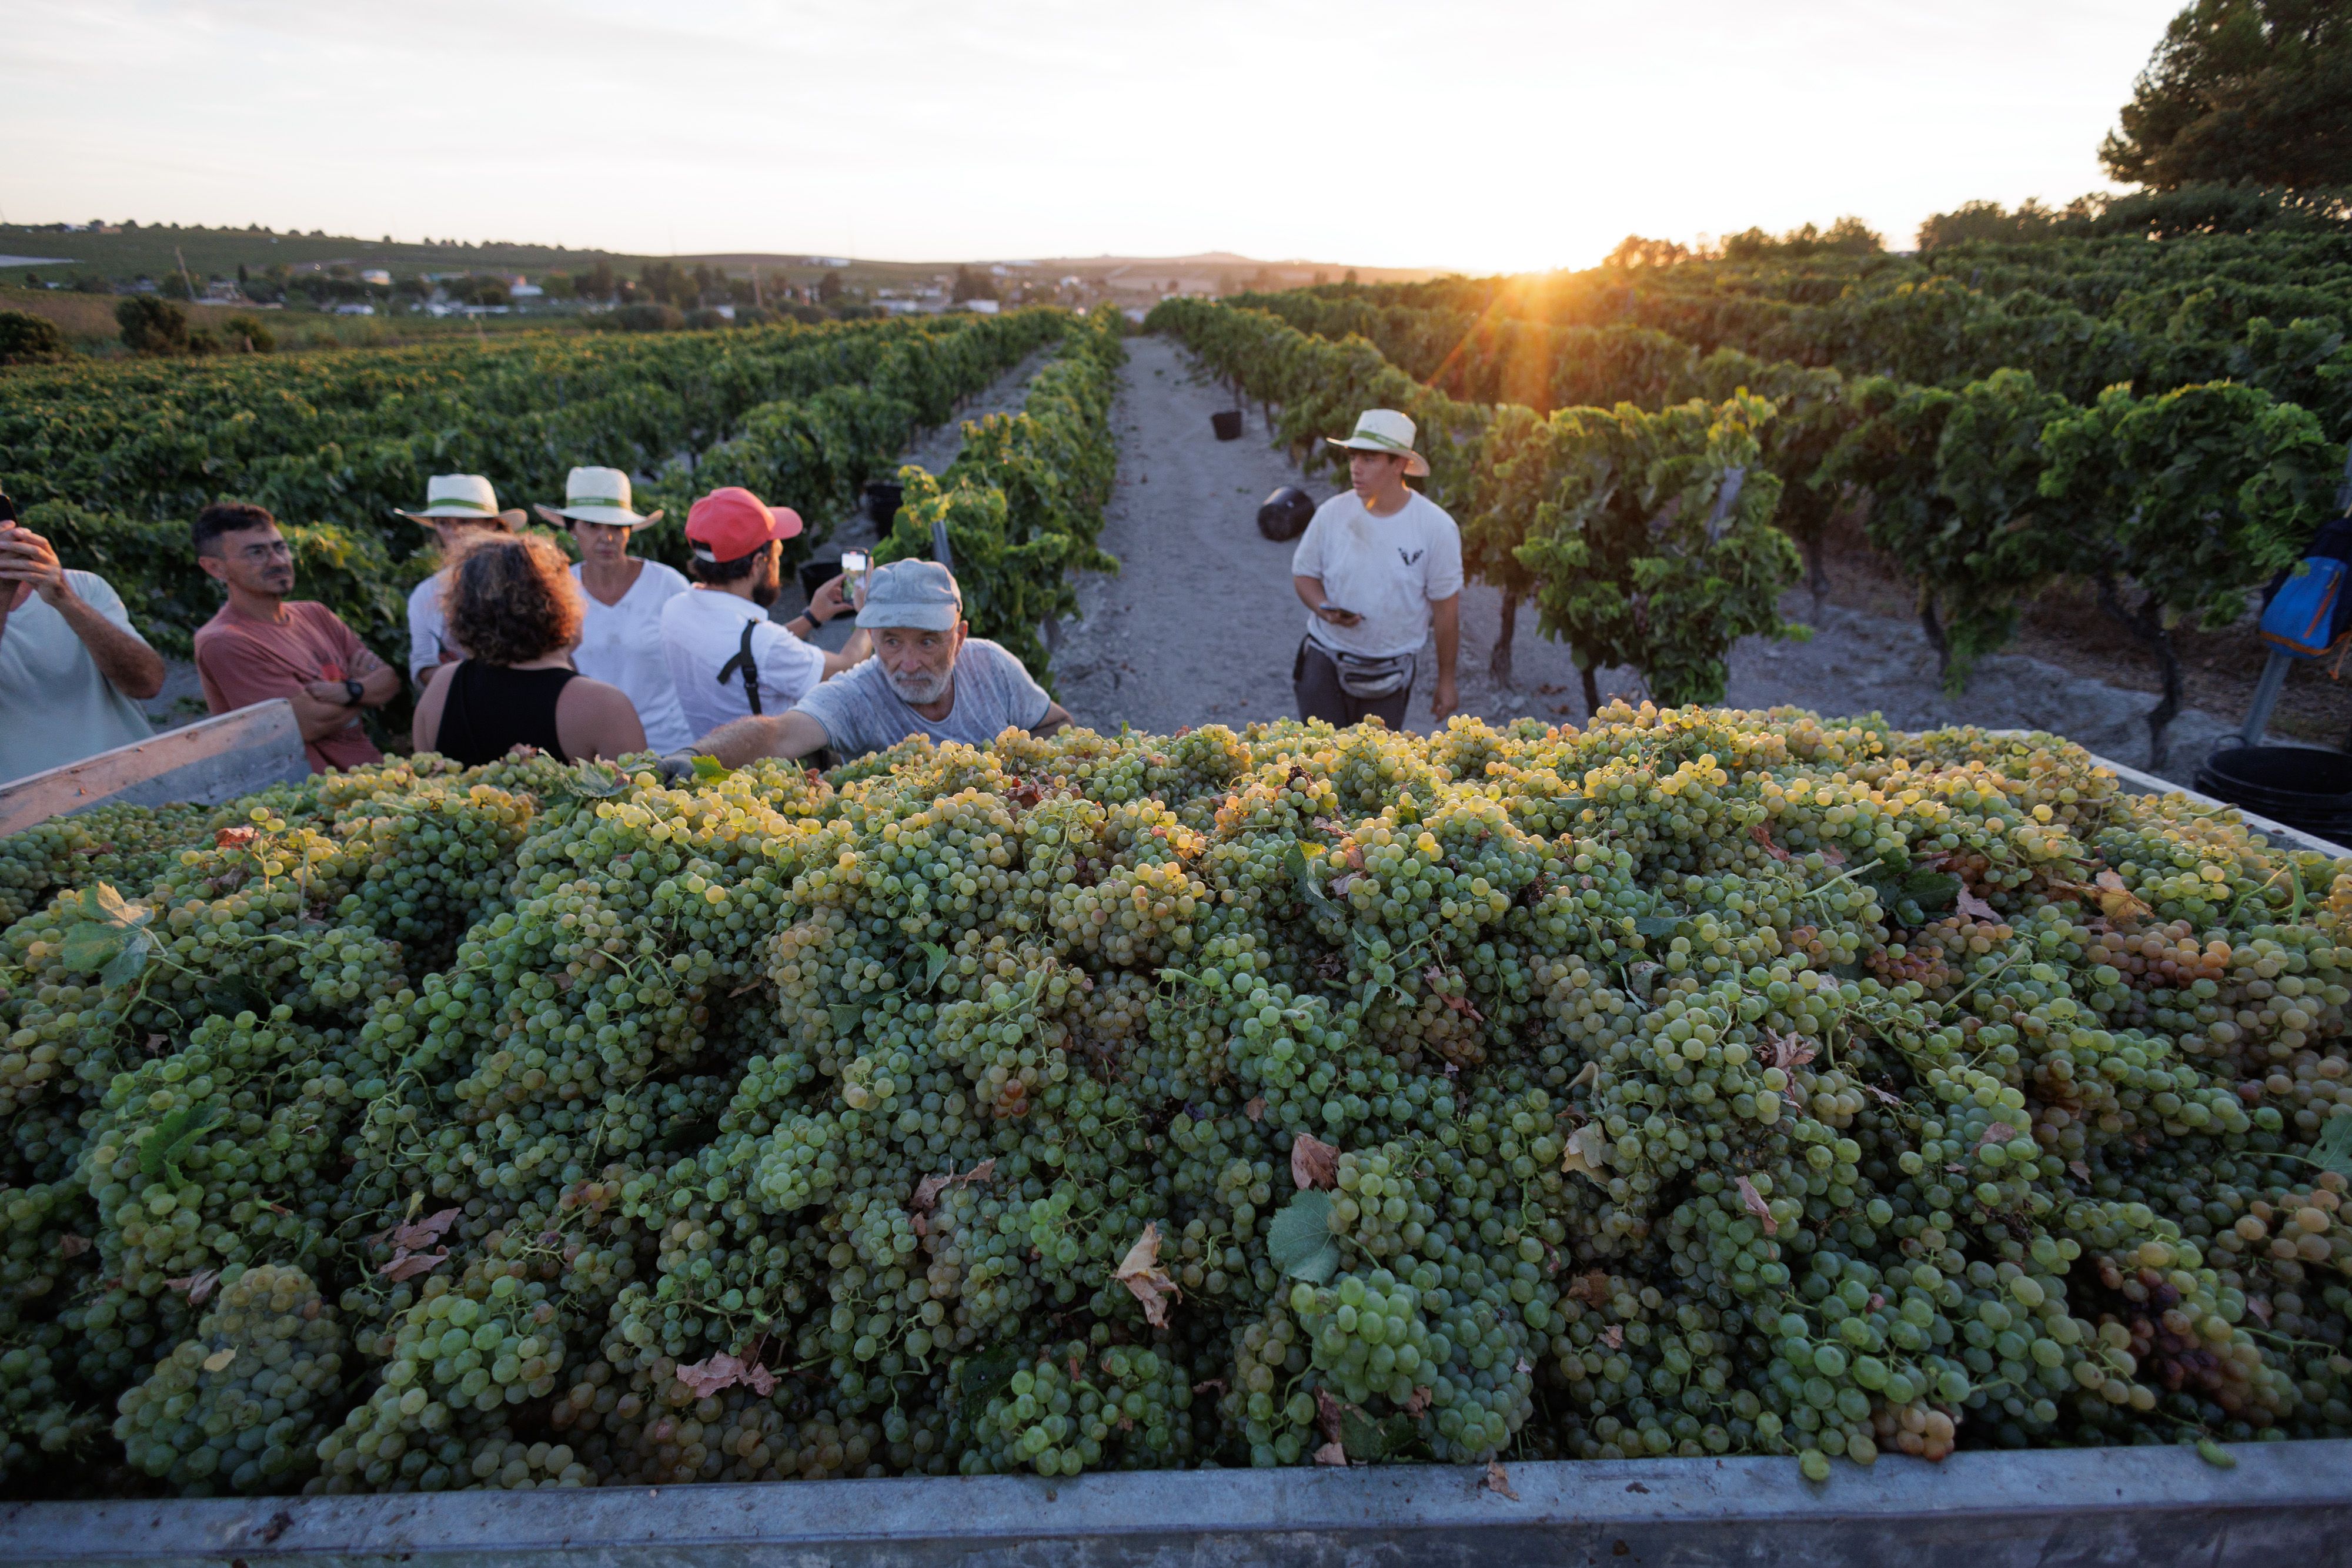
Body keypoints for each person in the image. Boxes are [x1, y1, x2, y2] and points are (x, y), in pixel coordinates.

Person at [696, 559, 1070, 765]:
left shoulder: (991, 665)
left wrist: (999, 772)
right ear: (872, 639)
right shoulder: (857, 695)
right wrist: (693, 757)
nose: (908, 664)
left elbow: (1059, 723)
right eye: (892, 642)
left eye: (927, 642)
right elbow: (776, 733)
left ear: (959, 637)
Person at [191, 502, 400, 774]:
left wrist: (348, 691)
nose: (278, 561)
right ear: (215, 568)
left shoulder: (315, 614)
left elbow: (391, 682)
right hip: (312, 799)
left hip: (374, 776)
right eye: (256, 553)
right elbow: (309, 724)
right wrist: (365, 692)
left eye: (280, 548)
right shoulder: (224, 641)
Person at [1291, 409, 1462, 729]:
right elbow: (1304, 575)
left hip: (1389, 673)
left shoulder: (1436, 528)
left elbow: (1446, 612)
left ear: (1399, 464)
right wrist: (1325, 609)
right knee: (1318, 765)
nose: (1356, 468)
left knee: (1371, 771)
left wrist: (1447, 681)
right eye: (1354, 457)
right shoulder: (1332, 514)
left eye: (1369, 459)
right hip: (1324, 658)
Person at [409, 533, 645, 765]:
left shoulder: (443, 686)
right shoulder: (603, 707)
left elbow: (428, 787)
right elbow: (638, 798)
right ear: (561, 605)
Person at [660, 486, 868, 740]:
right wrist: (870, 614)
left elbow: (750, 653)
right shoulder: (764, 642)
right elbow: (846, 667)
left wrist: (811, 617)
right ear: (759, 563)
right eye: (778, 554)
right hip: (766, 770)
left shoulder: (676, 608)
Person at [534, 466, 694, 753]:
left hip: (668, 745)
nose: (606, 538)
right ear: (572, 530)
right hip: (589, 751)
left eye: (616, 527)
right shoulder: (559, 589)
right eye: (592, 526)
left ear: (629, 532)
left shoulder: (667, 585)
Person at [0, 519, 166, 784]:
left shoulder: (83, 586)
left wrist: (64, 598)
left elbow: (147, 684)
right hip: (28, 811)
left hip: (136, 782)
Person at [396, 474, 522, 693]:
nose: (454, 532)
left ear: (492, 525)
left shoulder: (521, 583)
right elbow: (423, 665)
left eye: (464, 522)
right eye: (444, 523)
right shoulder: (426, 594)